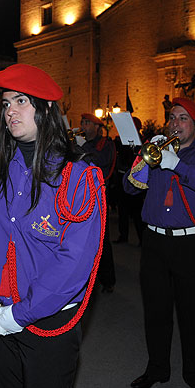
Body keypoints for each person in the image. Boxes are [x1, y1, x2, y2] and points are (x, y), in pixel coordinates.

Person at [0, 63, 105, 388]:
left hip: (47, 319)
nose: (11, 111)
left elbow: (75, 262)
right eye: (7, 103)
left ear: (47, 108)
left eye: (21, 101)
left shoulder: (78, 176)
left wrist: (19, 315)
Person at [124, 97, 195, 388]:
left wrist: (177, 165)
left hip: (190, 242)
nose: (175, 124)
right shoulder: (159, 150)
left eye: (182, 118)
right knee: (156, 310)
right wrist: (145, 159)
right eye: (172, 117)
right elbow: (130, 188)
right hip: (154, 241)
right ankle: (157, 369)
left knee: (193, 313)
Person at [78, 112, 116, 292]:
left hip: (99, 196)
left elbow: (102, 162)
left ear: (96, 126)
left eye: (87, 123)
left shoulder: (106, 144)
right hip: (82, 195)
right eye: (83, 123)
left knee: (102, 239)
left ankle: (108, 280)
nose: (83, 126)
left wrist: (82, 149)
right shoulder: (84, 143)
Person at [115, 116, 146, 245]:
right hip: (122, 177)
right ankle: (123, 236)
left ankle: (142, 239)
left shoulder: (142, 141)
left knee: (137, 212)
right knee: (122, 210)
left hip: (134, 180)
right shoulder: (120, 140)